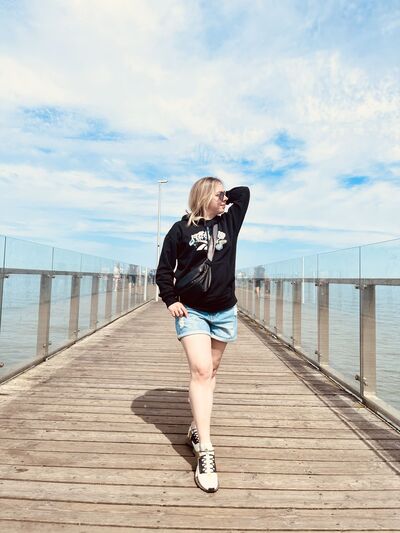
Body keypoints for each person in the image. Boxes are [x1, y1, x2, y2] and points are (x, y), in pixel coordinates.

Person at [156, 176, 250, 493]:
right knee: (201, 370)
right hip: (192, 311)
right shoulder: (180, 229)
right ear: (204, 195)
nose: (225, 199)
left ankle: (196, 427)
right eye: (218, 194)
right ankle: (206, 450)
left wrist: (223, 195)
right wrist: (170, 299)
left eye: (224, 194)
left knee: (212, 372)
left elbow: (244, 194)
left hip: (224, 311)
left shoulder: (230, 222)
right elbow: (164, 269)